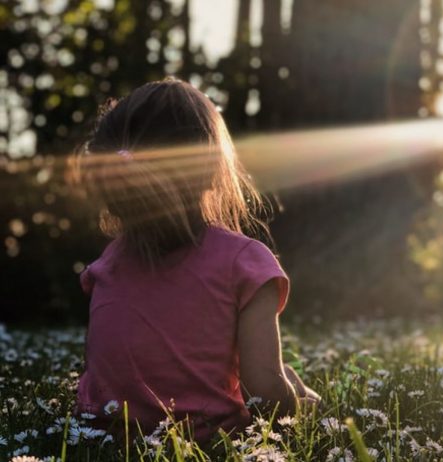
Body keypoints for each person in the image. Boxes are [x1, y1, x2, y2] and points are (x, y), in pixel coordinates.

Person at [72, 77, 320, 444]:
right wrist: (305, 406)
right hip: (207, 443)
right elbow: (265, 394)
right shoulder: (245, 263)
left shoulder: (108, 265)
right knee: (289, 383)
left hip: (101, 438)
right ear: (209, 170)